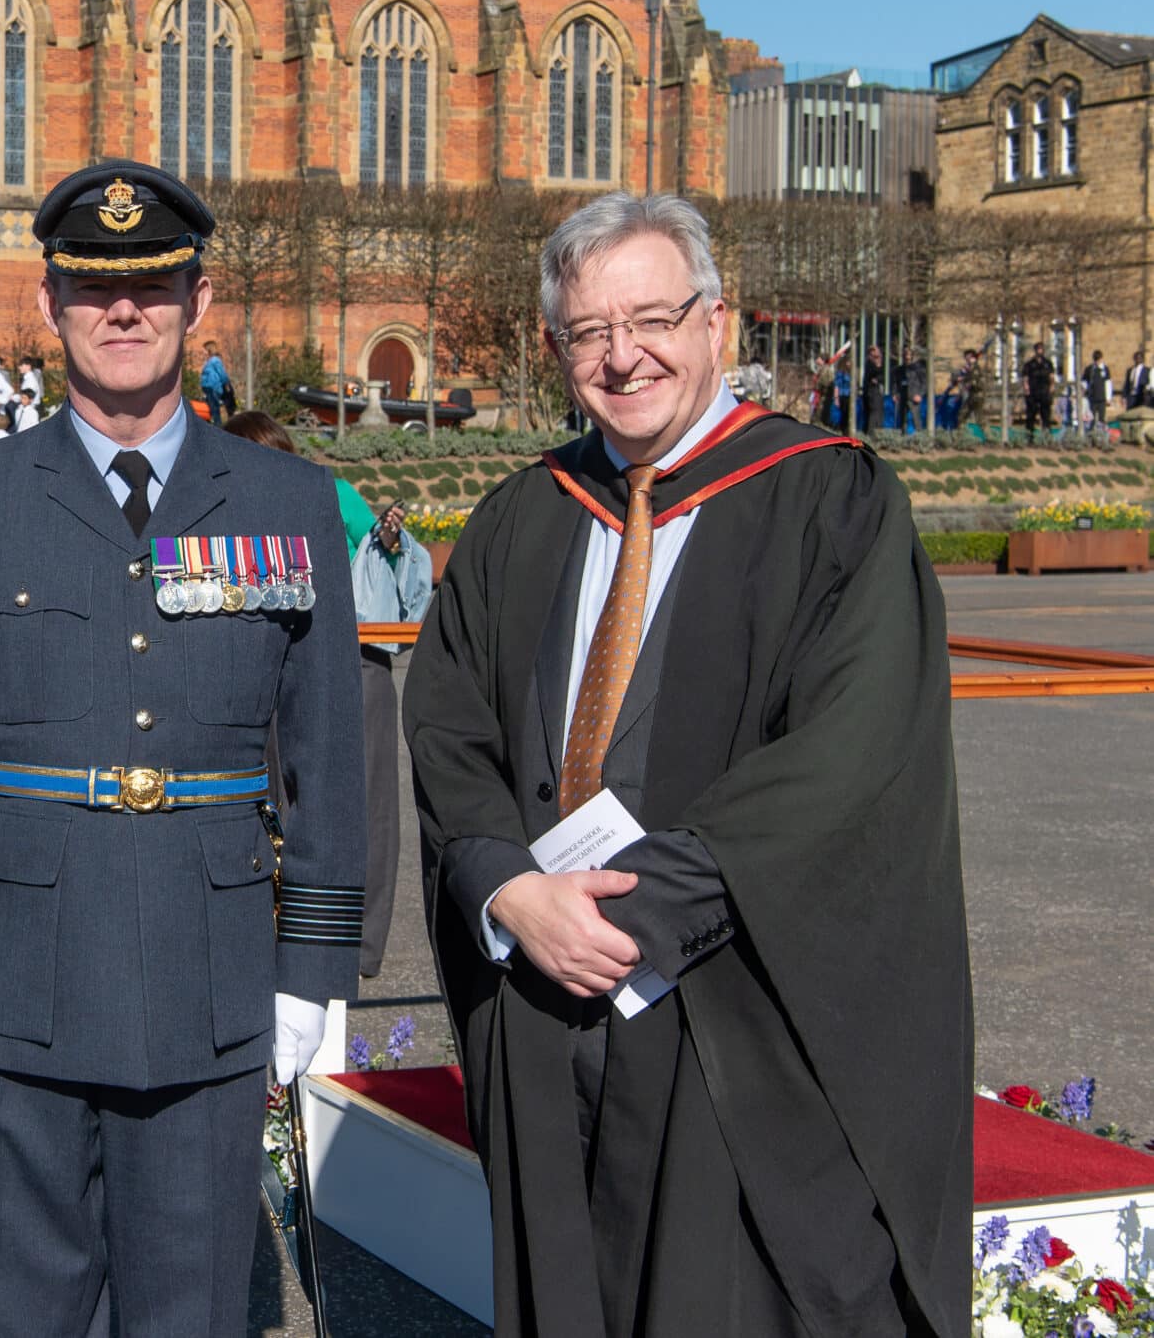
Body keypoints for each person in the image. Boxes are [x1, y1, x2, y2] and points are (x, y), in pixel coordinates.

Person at [403, 192, 970, 1338]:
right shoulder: (522, 515)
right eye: (590, 331)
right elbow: (447, 721)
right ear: (558, 347)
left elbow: (853, 747)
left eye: (652, 317)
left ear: (718, 321)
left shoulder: (831, 500)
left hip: (729, 1007)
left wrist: (637, 910)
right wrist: (509, 889)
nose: (624, 355)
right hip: (542, 993)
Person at [0, 161, 366, 1338]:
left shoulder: (287, 500)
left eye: (153, 286)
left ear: (199, 299)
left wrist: (315, 965)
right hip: (13, 966)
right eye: (92, 288)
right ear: (49, 305)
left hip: (210, 966)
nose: (123, 310)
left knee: (194, 1307)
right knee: (27, 1309)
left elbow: (330, 757)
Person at [224, 410, 426, 981]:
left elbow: (385, 554)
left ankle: (357, 942)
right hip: (266, 659)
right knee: (269, 799)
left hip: (354, 657)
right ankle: (275, 927)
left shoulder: (328, 492)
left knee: (364, 799)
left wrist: (390, 540)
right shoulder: (229, 505)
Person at [1022, 345, 1056, 434]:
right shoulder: (1029, 364)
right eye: (1038, 349)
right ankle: (1029, 436)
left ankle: (1046, 435)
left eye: (1041, 349)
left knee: (1046, 416)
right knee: (1031, 416)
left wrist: (1052, 387)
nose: (1040, 351)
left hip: (1045, 392)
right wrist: (1026, 389)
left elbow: (1052, 377)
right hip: (1033, 392)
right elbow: (1025, 378)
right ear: (1035, 351)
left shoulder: (1048, 363)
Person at [893, 346, 927, 434]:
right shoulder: (899, 370)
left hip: (914, 397)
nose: (907, 357)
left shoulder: (918, 369)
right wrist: (895, 394)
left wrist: (920, 395)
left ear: (912, 356)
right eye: (905, 355)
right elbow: (896, 383)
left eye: (909, 355)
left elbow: (924, 383)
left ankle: (920, 437)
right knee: (903, 420)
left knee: (916, 420)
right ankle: (903, 436)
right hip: (902, 397)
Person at [199, 339, 233, 421]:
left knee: (214, 409)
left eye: (204, 350)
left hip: (213, 388)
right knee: (211, 408)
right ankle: (214, 422)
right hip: (208, 389)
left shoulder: (215, 360)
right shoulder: (209, 361)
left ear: (209, 350)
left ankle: (217, 424)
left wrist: (226, 383)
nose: (203, 352)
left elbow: (222, 373)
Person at [1082, 349, 1112, 434]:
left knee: (1101, 418)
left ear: (1101, 358)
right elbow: (1084, 381)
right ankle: (1090, 434)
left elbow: (1108, 384)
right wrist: (1084, 390)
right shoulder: (1090, 369)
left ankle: (1102, 435)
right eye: (1096, 360)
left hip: (1102, 398)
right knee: (1091, 418)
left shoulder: (1105, 369)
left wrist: (1108, 398)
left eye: (1098, 359)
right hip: (1092, 398)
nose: (1097, 362)